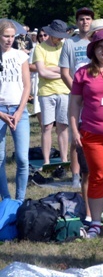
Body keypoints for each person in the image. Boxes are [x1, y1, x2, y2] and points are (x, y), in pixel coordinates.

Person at [69, 29, 103, 238]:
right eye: (100, 46)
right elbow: (74, 104)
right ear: (93, 50)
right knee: (99, 176)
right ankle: (95, 222)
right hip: (92, 133)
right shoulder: (83, 73)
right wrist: (75, 130)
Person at [60, 7, 94, 191]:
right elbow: (64, 72)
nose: (84, 22)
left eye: (87, 19)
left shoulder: (96, 40)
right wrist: (77, 93)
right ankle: (75, 174)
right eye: (81, 19)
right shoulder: (69, 43)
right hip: (76, 94)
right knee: (76, 138)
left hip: (96, 97)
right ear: (77, 21)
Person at [0, 20, 31, 201]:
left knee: (22, 158)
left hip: (19, 109)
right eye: (6, 36)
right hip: (1, 109)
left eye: (12, 36)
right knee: (0, 159)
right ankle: (6, 198)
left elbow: (27, 86)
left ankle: (20, 200)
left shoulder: (20, 56)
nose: (9, 40)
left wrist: (20, 111)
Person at [33, 19, 70, 167]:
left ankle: (64, 159)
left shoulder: (65, 46)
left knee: (63, 126)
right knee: (47, 126)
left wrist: (54, 69)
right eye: (58, 35)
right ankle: (47, 161)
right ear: (51, 34)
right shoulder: (39, 48)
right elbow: (42, 72)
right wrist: (61, 72)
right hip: (46, 92)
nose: (60, 38)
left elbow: (70, 69)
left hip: (64, 90)